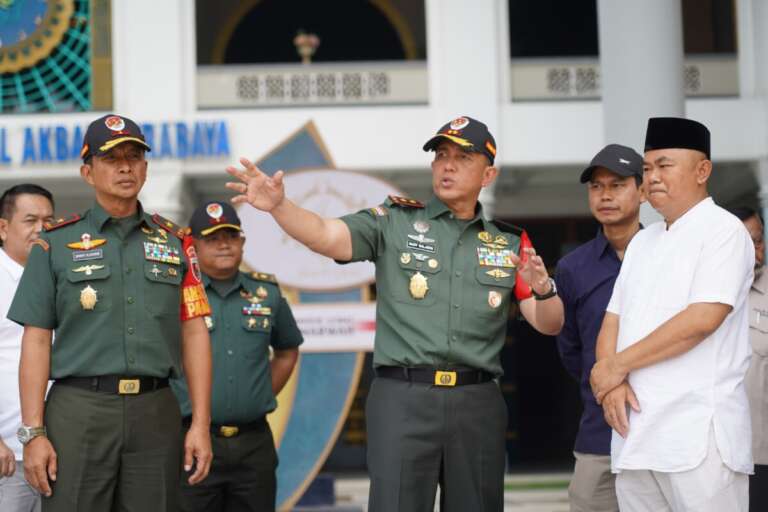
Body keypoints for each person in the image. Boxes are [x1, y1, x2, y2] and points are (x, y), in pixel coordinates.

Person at [225, 115, 564, 511]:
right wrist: (280, 205)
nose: (448, 165)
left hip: (477, 402)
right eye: (441, 155)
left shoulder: (508, 242)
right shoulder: (395, 222)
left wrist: (544, 289)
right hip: (404, 398)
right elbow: (327, 234)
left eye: (462, 157)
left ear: (488, 174)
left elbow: (548, 322)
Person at [6, 114, 214, 512]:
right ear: (87, 172)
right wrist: (33, 433)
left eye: (134, 156)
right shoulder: (54, 245)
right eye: (111, 158)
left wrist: (201, 424)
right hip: (79, 409)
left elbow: (195, 333)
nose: (125, 166)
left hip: (156, 412)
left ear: (146, 168)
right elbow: (35, 339)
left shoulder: (176, 243)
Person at [590, 117, 754, 511]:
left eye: (664, 166)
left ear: (702, 170)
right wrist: (610, 383)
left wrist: (615, 367)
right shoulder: (643, 241)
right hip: (636, 433)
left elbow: (701, 321)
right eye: (647, 168)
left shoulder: (723, 231)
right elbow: (614, 317)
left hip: (697, 437)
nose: (653, 177)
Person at [172, 201, 303, 512]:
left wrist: (257, 395)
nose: (223, 244)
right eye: (212, 238)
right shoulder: (175, 294)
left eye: (230, 236)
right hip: (191, 438)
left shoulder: (266, 293)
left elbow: (287, 351)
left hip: (253, 442)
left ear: (242, 242)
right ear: (192, 244)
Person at [555, 144, 644, 512]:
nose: (605, 195)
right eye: (596, 186)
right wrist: (605, 385)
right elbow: (571, 350)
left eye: (617, 184)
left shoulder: (671, 253)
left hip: (665, 424)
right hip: (599, 433)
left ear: (642, 189)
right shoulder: (573, 268)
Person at [0, 184, 55, 512]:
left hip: (60, 450)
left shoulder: (63, 276)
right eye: (31, 219)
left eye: (49, 220)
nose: (41, 228)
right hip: (8, 456)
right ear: (3, 227)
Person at [731, 206, 767, 512]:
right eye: (742, 242)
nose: (753, 251)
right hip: (714, 455)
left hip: (763, 453)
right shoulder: (695, 295)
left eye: (757, 241)